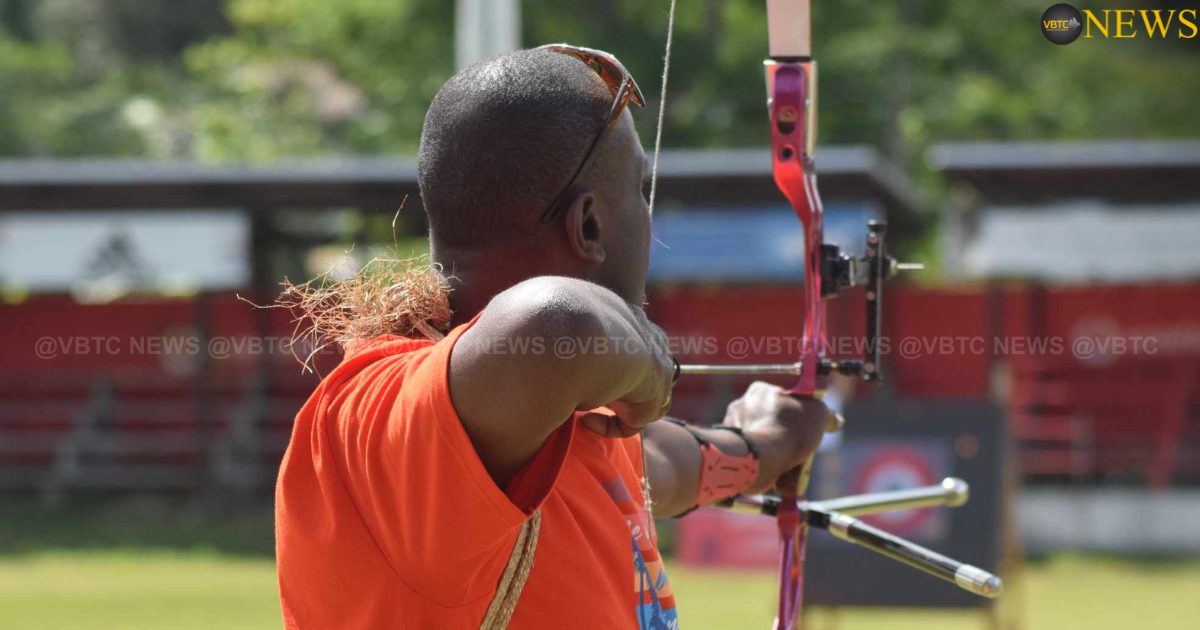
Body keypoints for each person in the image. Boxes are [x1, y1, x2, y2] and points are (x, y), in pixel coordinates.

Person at [275, 45, 832, 630]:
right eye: (639, 190)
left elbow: (655, 469)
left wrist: (764, 444)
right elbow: (560, 323)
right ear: (588, 225)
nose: (648, 220)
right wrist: (645, 361)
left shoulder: (554, 408)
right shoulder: (382, 415)